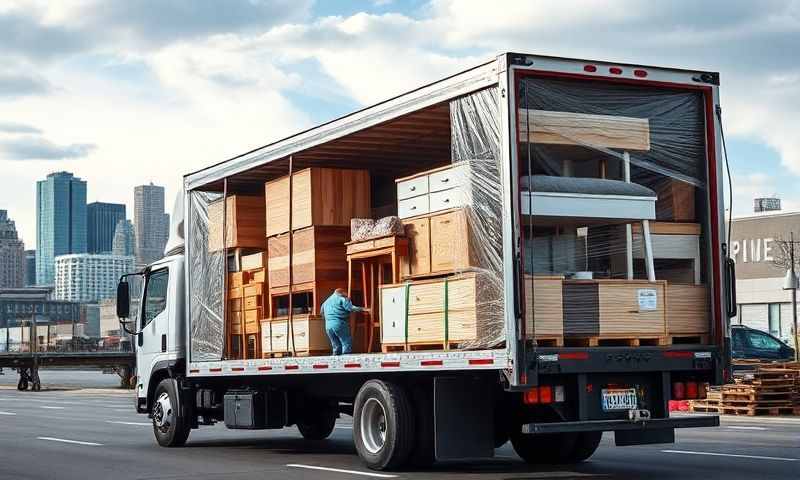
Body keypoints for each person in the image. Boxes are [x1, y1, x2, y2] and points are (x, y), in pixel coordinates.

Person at [321, 288, 366, 355]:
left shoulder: (326, 302)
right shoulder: (342, 299)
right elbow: (350, 308)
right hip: (339, 323)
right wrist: (363, 309)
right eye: (346, 293)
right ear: (342, 293)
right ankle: (346, 358)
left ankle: (335, 361)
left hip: (328, 325)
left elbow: (322, 313)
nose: (347, 295)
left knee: (336, 345)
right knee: (346, 341)